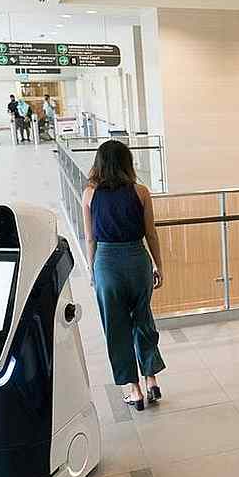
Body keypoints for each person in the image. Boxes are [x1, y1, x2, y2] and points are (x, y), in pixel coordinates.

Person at [81, 140, 166, 411]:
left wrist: (93, 270)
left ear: (100, 163)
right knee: (143, 320)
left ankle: (134, 390)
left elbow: (90, 239)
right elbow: (150, 233)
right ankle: (151, 379)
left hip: (107, 263)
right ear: (127, 163)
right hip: (137, 261)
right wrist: (158, 266)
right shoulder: (141, 192)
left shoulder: (89, 195)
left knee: (116, 328)